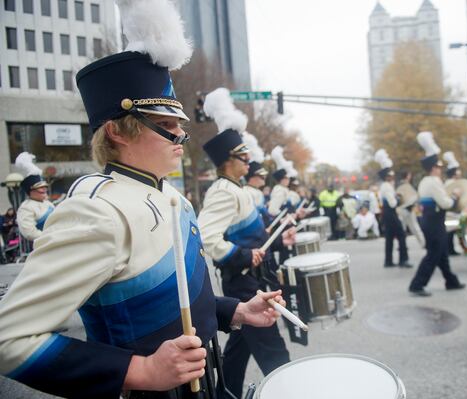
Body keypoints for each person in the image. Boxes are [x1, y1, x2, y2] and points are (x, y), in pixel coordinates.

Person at [0, 3, 286, 398]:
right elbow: (9, 338)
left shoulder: (171, 196)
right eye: (166, 126)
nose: (181, 137)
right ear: (118, 131)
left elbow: (178, 295)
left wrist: (235, 311)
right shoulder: (96, 211)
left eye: (180, 126)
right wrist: (139, 370)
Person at [198, 88, 294, 399]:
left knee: (239, 346)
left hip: (249, 278)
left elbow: (253, 236)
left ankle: (225, 394)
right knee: (274, 352)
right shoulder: (224, 191)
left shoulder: (235, 189)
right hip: (243, 283)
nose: (249, 160)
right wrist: (241, 256)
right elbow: (205, 235)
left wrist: (275, 244)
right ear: (229, 160)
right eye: (244, 155)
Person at [409, 132, 465, 297]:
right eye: (439, 167)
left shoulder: (424, 182)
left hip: (429, 221)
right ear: (434, 168)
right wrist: (455, 196)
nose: (441, 170)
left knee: (441, 254)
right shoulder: (434, 182)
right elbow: (445, 203)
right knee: (434, 254)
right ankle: (417, 284)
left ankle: (451, 281)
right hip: (435, 223)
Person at [375, 149, 411, 268]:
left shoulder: (385, 185)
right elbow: (392, 203)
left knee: (389, 237)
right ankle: (403, 259)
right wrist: (399, 198)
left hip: (387, 213)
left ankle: (388, 260)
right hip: (390, 213)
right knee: (401, 235)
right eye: (391, 174)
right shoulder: (387, 186)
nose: (393, 176)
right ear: (388, 176)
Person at [14, 153, 55, 243]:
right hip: (42, 246)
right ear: (31, 190)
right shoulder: (26, 207)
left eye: (45, 186)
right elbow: (29, 233)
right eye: (40, 187)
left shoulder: (48, 203)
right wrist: (51, 237)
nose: (44, 189)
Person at [443, 151, 461, 256]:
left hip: (452, 209)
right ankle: (450, 249)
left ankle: (451, 248)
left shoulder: (449, 182)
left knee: (452, 230)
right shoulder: (451, 183)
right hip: (451, 209)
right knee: (450, 230)